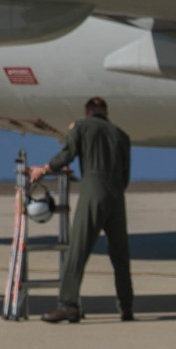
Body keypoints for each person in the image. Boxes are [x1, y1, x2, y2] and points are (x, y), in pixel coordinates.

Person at [30, 97, 134, 323]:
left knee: (77, 251)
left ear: (88, 111)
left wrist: (45, 169)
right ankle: (126, 307)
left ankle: (67, 305)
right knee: (120, 255)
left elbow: (68, 154)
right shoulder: (121, 135)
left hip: (93, 189)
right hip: (117, 194)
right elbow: (126, 175)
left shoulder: (82, 126)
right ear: (106, 112)